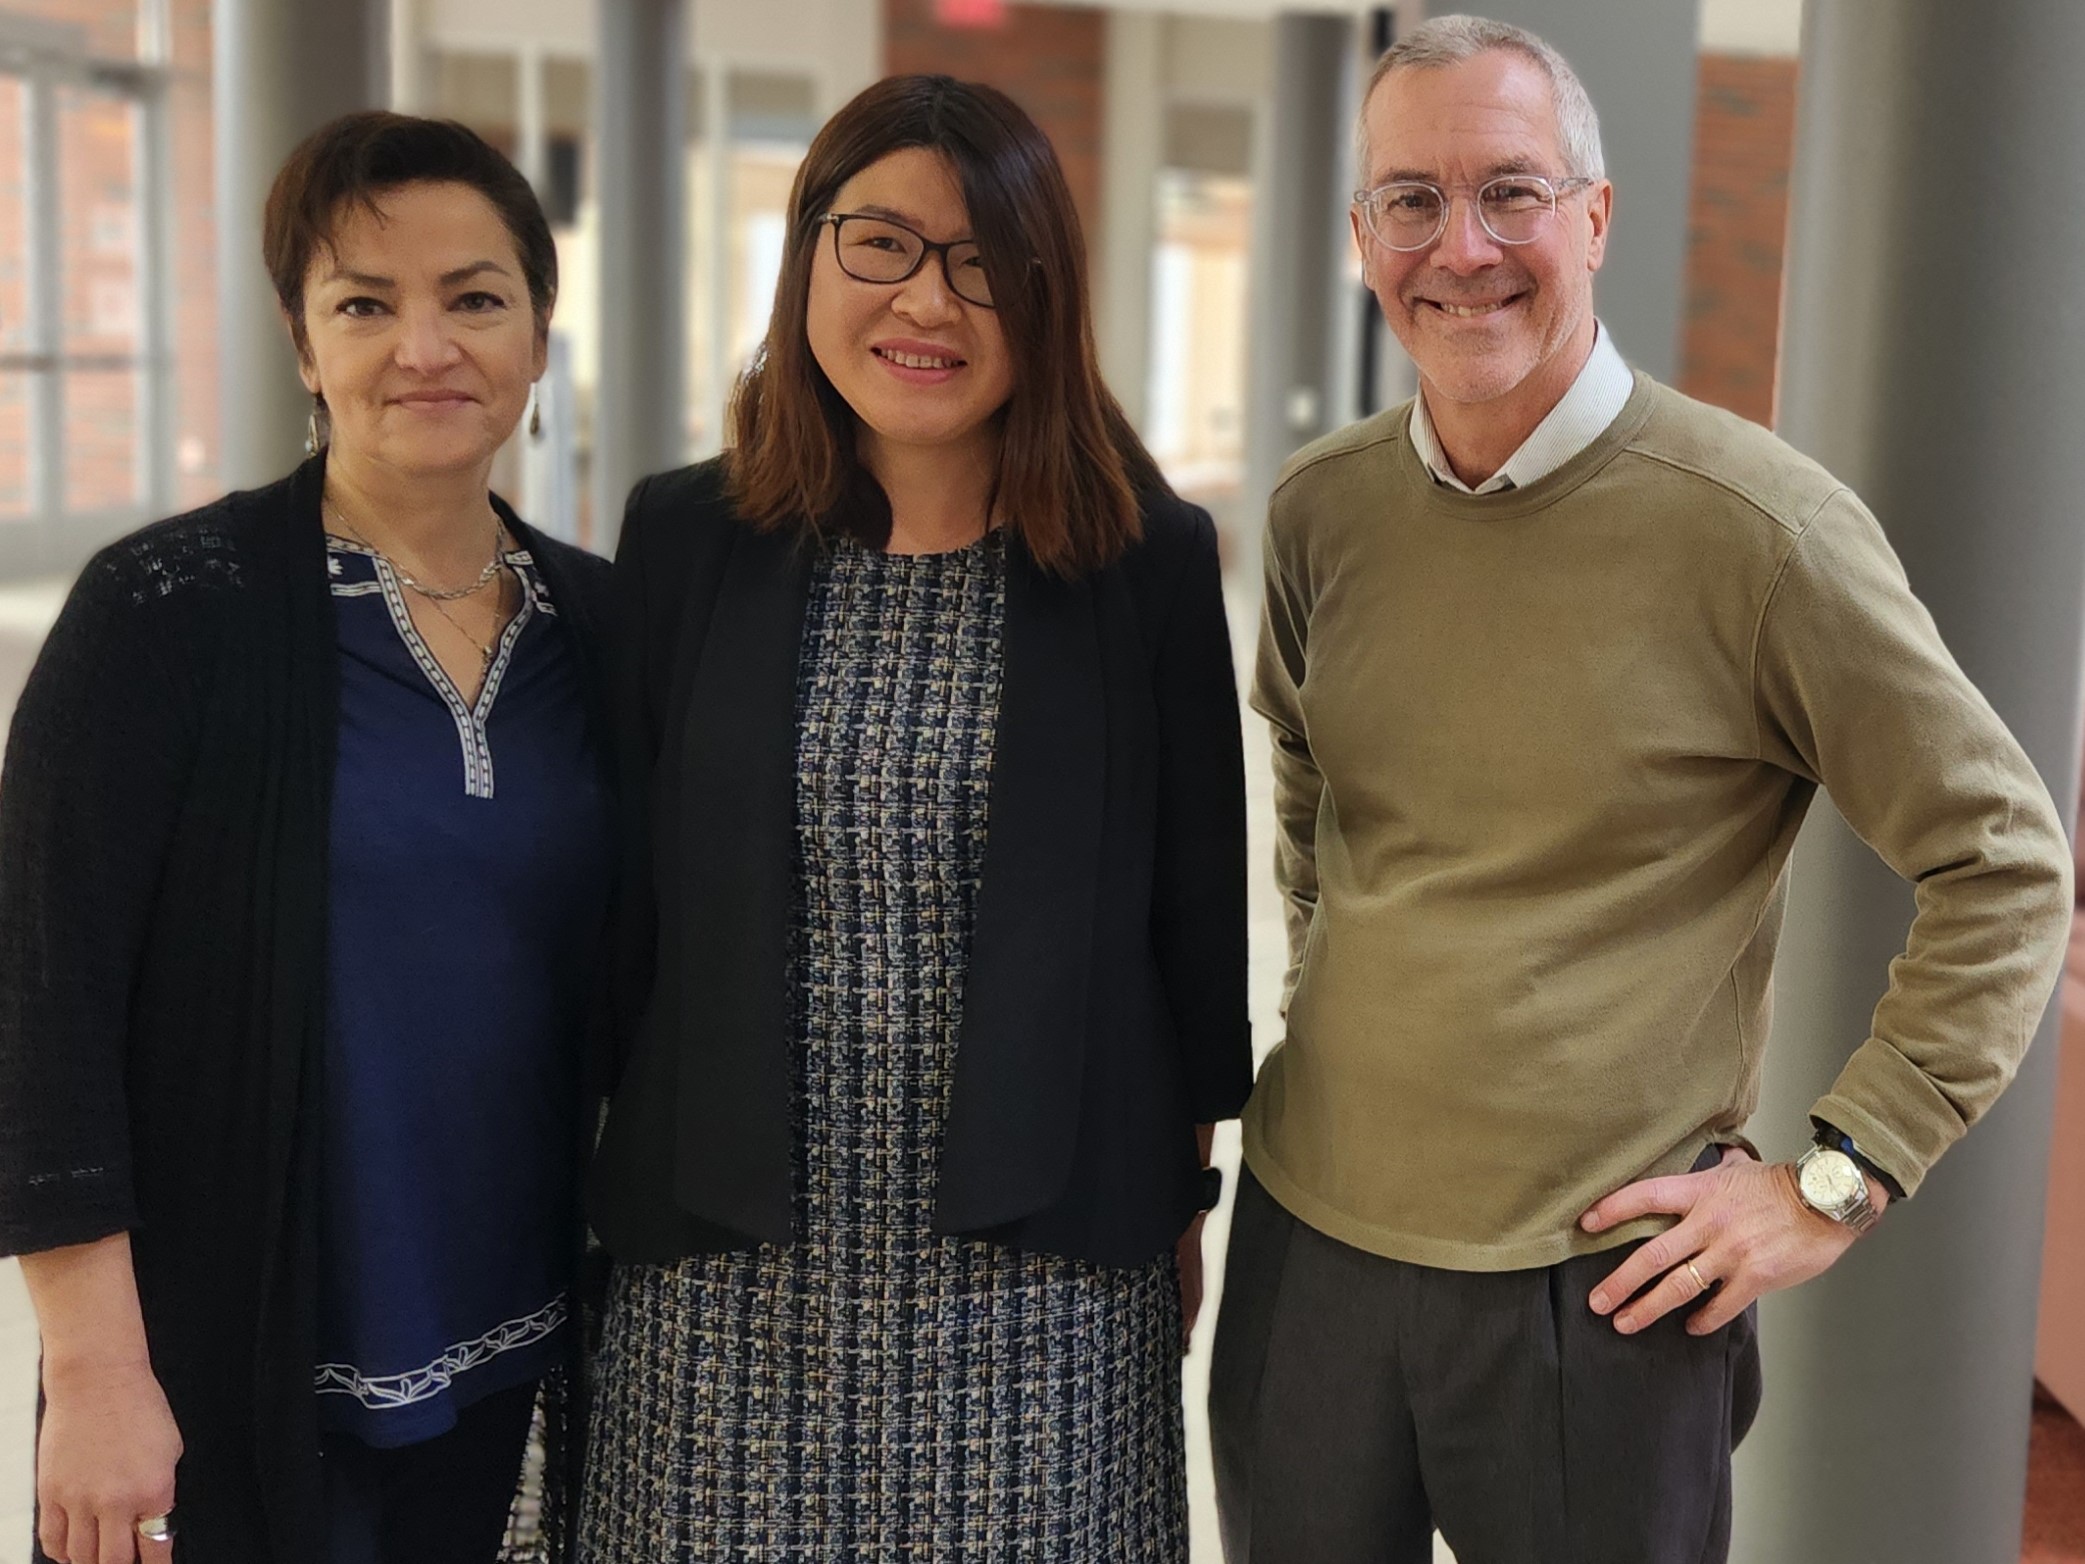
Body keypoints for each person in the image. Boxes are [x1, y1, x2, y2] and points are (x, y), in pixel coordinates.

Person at [1209, 15, 2075, 1564]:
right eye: (1409, 199)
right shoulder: (1320, 508)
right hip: (1307, 1240)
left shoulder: (1759, 532)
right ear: (1359, 238)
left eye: (1510, 190)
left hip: (1596, 1285)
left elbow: (2000, 858)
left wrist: (1838, 1172)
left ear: (1594, 217)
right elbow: (1304, 771)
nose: (1458, 245)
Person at [579, 72, 1251, 1562]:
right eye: (877, 243)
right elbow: (622, 905)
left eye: (980, 263)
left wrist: (1182, 1198)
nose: (926, 305)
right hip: (722, 1255)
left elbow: (1191, 917)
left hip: (1044, 1268)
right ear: (806, 253)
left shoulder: (1144, 563)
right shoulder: (687, 536)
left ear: (1046, 295)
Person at [0, 113, 614, 1564]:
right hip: (238, 1357)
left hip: (514, 1351)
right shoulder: (168, 610)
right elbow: (43, 993)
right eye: (364, 304)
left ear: (536, 333)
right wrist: (92, 1371)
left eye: (475, 297)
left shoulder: (603, 627)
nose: (427, 347)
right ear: (302, 343)